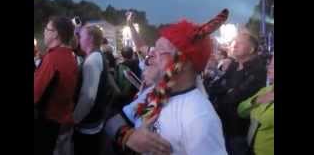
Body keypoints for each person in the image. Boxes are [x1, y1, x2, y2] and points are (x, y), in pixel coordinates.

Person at [105, 9, 229, 155]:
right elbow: (111, 122)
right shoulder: (153, 94)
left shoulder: (199, 117)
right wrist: (128, 136)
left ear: (184, 63)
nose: (149, 56)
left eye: (160, 51)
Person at [206, 27, 267, 155]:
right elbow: (214, 88)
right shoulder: (233, 65)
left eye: (241, 42)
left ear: (251, 49)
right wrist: (227, 89)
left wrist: (225, 89)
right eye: (235, 41)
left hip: (239, 131)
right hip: (222, 125)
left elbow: (235, 98)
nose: (235, 45)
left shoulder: (258, 70)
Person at [34, 16, 78, 155]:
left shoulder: (53, 59)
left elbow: (35, 94)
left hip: (45, 123)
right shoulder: (70, 56)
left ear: (55, 34)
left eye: (47, 29)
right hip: (58, 122)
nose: (44, 32)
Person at [72, 24, 112, 155]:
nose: (79, 39)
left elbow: (88, 98)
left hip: (87, 126)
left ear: (90, 38)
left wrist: (74, 120)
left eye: (81, 36)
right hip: (94, 122)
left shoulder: (92, 60)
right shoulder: (97, 56)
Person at [237, 55, 274, 155]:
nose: (269, 67)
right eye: (270, 63)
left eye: (273, 65)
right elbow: (241, 111)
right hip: (249, 149)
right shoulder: (265, 90)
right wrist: (256, 100)